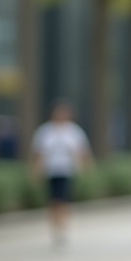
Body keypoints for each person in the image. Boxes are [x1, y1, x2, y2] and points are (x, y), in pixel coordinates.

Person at [31, 100, 92, 248]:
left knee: (63, 200)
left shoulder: (74, 131)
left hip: (66, 170)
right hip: (51, 170)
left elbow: (82, 152)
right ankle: (55, 228)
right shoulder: (45, 131)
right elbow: (38, 153)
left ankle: (63, 225)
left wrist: (85, 167)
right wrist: (35, 170)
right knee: (53, 201)